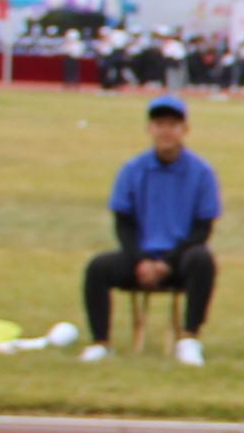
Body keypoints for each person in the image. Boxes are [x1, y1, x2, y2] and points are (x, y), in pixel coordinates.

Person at [80, 95, 223, 367]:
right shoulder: (133, 170)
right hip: (140, 257)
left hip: (179, 259)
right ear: (150, 128)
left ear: (185, 129)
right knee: (97, 268)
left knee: (202, 259)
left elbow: (202, 228)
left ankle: (189, 338)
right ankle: (100, 342)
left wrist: (166, 264)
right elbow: (123, 222)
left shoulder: (202, 173)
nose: (166, 131)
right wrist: (141, 260)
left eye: (173, 124)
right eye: (159, 124)